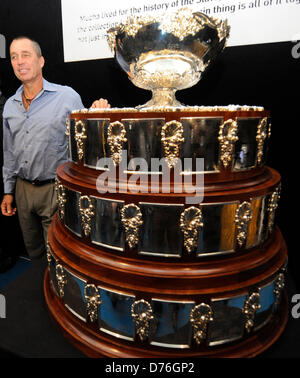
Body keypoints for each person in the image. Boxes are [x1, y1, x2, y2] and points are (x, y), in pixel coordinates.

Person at [1, 36, 110, 260]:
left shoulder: (66, 97)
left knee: (58, 251)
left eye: (25, 55)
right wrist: (7, 191)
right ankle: (41, 286)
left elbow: (84, 140)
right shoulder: (10, 106)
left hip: (55, 188)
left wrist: (97, 114)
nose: (19, 61)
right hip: (22, 190)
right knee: (34, 250)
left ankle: (57, 292)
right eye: (14, 57)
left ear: (41, 61)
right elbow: (9, 152)